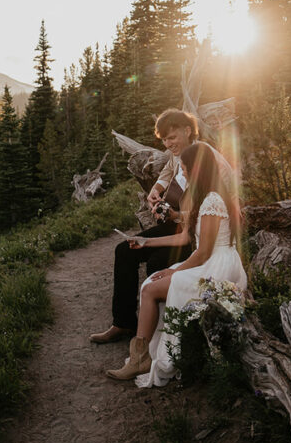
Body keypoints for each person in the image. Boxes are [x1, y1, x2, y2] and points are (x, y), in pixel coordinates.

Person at [106, 141, 248, 385]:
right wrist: (145, 242)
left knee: (151, 287)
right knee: (151, 282)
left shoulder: (213, 199)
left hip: (218, 264)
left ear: (196, 169)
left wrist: (174, 273)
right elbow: (184, 237)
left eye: (184, 168)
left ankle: (140, 359)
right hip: (210, 260)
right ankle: (141, 355)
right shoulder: (206, 196)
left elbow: (203, 252)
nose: (181, 173)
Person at [88, 109, 198, 344]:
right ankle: (123, 323)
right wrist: (156, 191)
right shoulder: (177, 154)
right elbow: (169, 169)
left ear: (188, 131)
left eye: (172, 138)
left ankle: (161, 332)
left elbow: (209, 209)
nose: (169, 144)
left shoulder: (203, 158)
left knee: (157, 263)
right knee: (124, 250)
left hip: (194, 234)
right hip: (174, 226)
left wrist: (177, 213)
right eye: (164, 140)